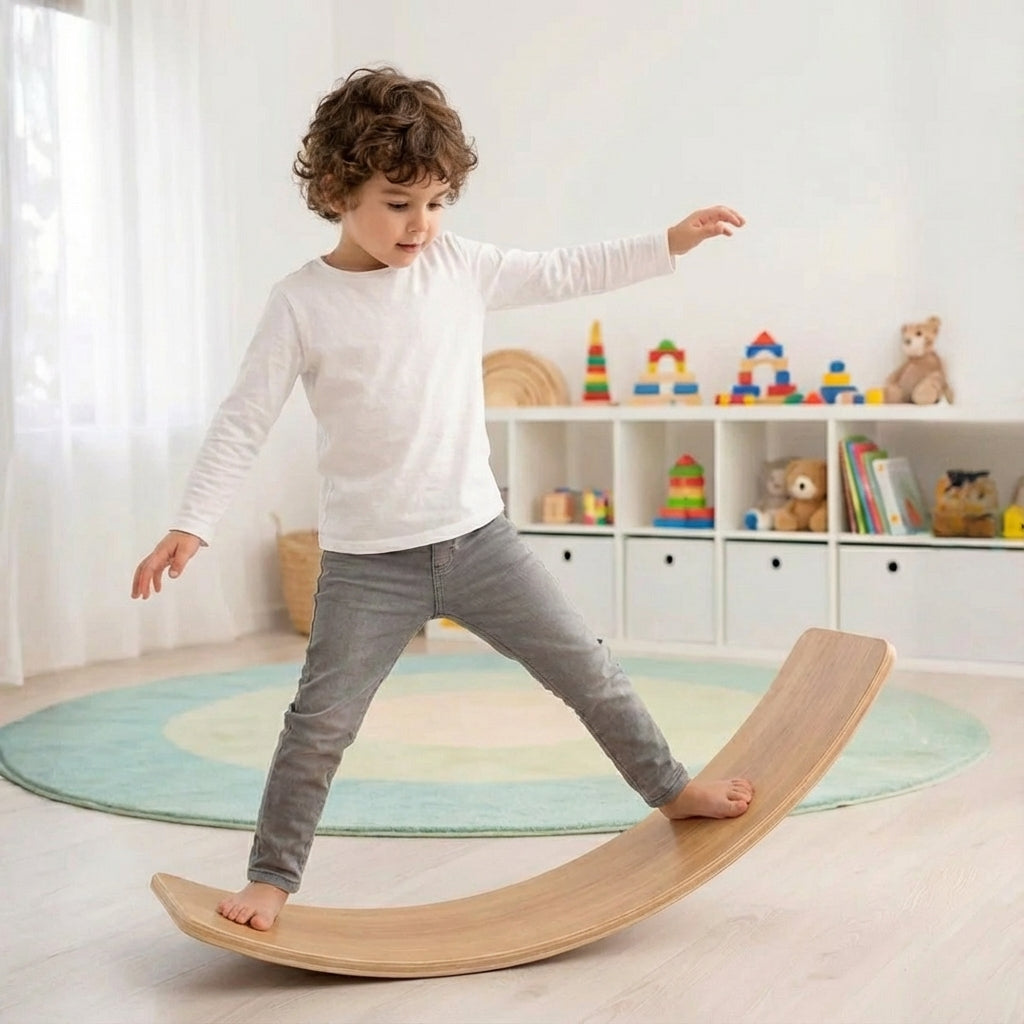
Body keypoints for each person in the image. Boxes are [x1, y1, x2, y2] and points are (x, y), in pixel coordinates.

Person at [131, 66, 754, 932]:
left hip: (478, 542)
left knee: (590, 672)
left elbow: (567, 269)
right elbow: (243, 420)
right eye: (396, 203)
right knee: (317, 728)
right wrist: (191, 524)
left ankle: (672, 789)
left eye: (434, 203)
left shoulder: (459, 265)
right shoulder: (301, 304)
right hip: (364, 565)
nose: (419, 225)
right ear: (339, 190)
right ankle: (271, 879)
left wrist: (670, 242)